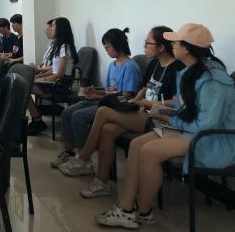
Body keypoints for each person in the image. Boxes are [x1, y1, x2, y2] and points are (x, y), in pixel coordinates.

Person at [96, 23, 235, 229]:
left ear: (187, 48)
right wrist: (156, 108)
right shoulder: (191, 71)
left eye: (176, 42)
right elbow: (182, 103)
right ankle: (126, 207)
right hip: (189, 128)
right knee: (136, 145)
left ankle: (143, 211)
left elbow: (208, 124)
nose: (172, 46)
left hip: (210, 138)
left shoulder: (213, 79)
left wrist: (171, 119)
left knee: (150, 152)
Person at [58, 27, 184, 198]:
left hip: (160, 116)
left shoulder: (177, 68)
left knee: (103, 112)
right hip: (142, 110)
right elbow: (143, 88)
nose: (144, 46)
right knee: (107, 130)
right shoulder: (154, 63)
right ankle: (101, 183)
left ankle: (83, 158)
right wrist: (136, 102)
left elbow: (177, 102)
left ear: (161, 47)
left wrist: (146, 103)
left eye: (148, 43)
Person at [51, 28, 141, 168]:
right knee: (67, 112)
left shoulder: (130, 67)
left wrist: (98, 96)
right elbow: (110, 90)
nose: (106, 50)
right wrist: (95, 92)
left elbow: (126, 95)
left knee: (78, 116)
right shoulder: (113, 65)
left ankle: (84, 160)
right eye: (105, 47)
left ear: (118, 45)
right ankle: (69, 152)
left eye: (108, 47)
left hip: (118, 107)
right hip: (106, 101)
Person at [27, 17, 79, 135]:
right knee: (25, 84)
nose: (51, 28)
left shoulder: (64, 47)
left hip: (60, 85)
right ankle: (37, 119)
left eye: (53, 26)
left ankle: (37, 121)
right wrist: (38, 78)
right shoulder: (59, 46)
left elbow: (59, 74)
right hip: (55, 81)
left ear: (60, 28)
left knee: (25, 87)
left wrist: (42, 79)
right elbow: (53, 70)